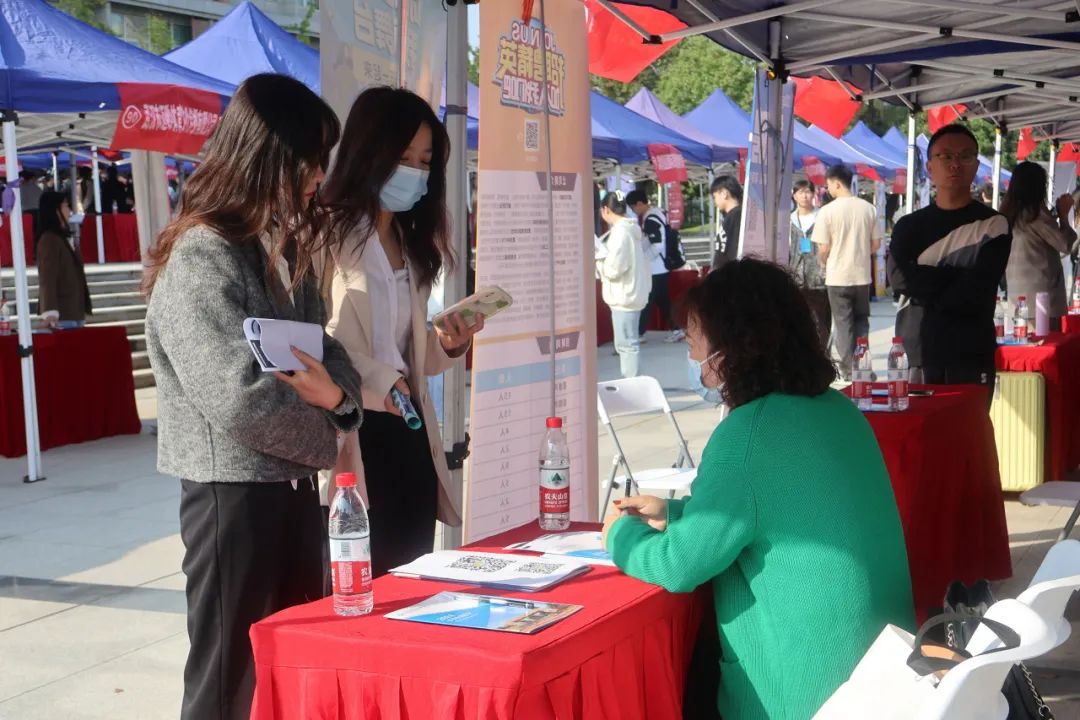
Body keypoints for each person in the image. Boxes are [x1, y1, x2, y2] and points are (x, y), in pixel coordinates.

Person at [603, 258, 914, 720]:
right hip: (888, 677)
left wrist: (619, 534)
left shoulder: (747, 435)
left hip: (805, 693)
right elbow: (779, 513)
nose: (691, 355)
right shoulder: (839, 410)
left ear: (732, 346)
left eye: (694, 340)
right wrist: (678, 513)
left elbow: (679, 564)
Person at [143, 74, 363, 720]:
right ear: (268, 156)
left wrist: (338, 398)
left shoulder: (280, 245)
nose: (318, 176)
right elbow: (239, 397)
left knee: (284, 671)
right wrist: (330, 429)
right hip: (231, 497)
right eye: (310, 160)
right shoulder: (202, 255)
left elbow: (328, 352)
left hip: (289, 490)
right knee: (228, 681)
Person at [319, 86, 483, 578]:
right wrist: (380, 380)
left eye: (424, 161)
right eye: (403, 157)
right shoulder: (325, 234)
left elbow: (410, 354)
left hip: (410, 430)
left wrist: (450, 342)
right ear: (368, 152)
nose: (414, 171)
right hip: (353, 428)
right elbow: (316, 340)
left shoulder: (410, 241)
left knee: (412, 579)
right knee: (360, 581)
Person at [887, 124, 1011, 395]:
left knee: (969, 424)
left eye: (965, 156)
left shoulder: (994, 225)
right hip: (917, 350)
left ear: (976, 165)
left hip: (970, 352)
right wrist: (955, 277)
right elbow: (899, 279)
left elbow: (976, 292)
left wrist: (925, 281)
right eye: (946, 156)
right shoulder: (908, 225)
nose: (955, 164)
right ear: (930, 167)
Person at [812, 165, 881, 380]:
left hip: (837, 276)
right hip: (861, 276)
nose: (828, 189)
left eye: (828, 185)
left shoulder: (827, 211)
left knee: (843, 324)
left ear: (837, 183)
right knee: (862, 322)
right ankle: (863, 367)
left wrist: (824, 261)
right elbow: (876, 244)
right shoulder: (868, 208)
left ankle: (849, 369)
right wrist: (859, 252)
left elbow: (823, 248)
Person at [1000, 161, 1075, 330]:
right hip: (1041, 299)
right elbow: (1064, 244)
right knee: (1046, 343)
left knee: (1025, 342)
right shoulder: (1035, 214)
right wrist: (1063, 216)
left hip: (1018, 297)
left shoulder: (1008, 213)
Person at [596, 193, 650, 378]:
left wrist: (599, 260)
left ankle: (632, 383)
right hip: (631, 292)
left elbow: (614, 268)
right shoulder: (630, 229)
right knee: (628, 342)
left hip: (624, 295)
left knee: (626, 344)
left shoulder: (620, 233)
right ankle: (633, 381)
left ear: (606, 210)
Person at [626, 189, 684, 343]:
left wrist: (643, 259)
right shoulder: (658, 213)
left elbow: (657, 244)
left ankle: (638, 333)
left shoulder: (650, 219)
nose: (633, 210)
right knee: (662, 301)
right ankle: (676, 329)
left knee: (647, 301)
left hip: (655, 268)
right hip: (661, 267)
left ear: (639, 203)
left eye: (633, 207)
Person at [35, 191, 91, 327]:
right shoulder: (49, 239)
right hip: (62, 313)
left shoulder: (62, 237)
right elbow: (47, 277)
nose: (69, 209)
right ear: (55, 210)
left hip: (75, 309)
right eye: (65, 205)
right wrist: (50, 311)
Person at [788, 179, 830, 347]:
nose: (804, 196)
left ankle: (823, 350)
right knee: (799, 317)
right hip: (796, 275)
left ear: (813, 194)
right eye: (800, 192)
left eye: (807, 192)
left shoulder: (821, 216)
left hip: (818, 276)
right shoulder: (789, 219)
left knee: (821, 318)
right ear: (794, 196)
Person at [710, 175, 742, 272]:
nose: (714, 201)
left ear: (724, 193)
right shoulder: (730, 216)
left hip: (728, 274)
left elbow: (734, 250)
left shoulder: (737, 216)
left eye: (715, 197)